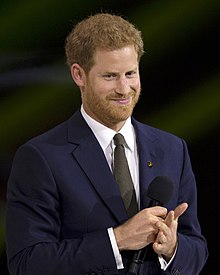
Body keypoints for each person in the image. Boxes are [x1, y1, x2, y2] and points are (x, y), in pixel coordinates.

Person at [6, 13, 208, 275]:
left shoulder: (172, 149)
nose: (124, 89)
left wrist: (172, 247)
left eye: (130, 73)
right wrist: (117, 240)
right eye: (110, 76)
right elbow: (26, 264)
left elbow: (197, 249)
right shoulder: (40, 157)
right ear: (79, 75)